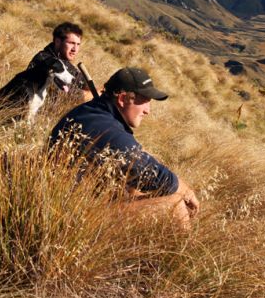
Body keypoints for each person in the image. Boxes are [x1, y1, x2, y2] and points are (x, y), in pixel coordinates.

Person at [49, 67, 199, 228]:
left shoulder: (94, 112)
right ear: (122, 99)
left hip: (69, 202)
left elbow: (138, 164)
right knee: (175, 205)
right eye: (144, 101)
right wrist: (186, 191)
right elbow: (151, 174)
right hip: (69, 219)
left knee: (135, 185)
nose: (148, 110)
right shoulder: (105, 128)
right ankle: (183, 252)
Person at [29, 22, 94, 102]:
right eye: (71, 43)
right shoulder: (45, 61)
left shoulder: (63, 62)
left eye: (78, 44)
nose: (75, 49)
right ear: (57, 41)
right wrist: (92, 94)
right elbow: (69, 95)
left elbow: (83, 82)